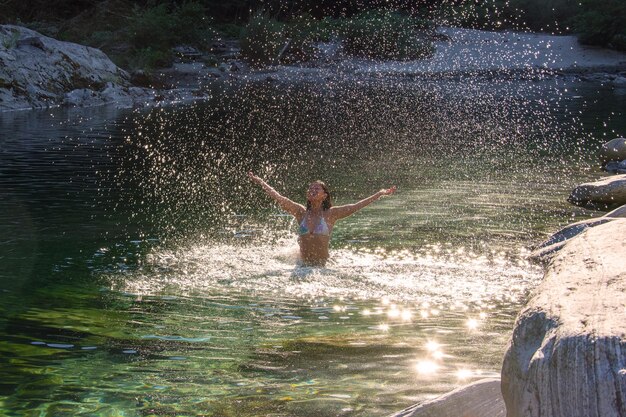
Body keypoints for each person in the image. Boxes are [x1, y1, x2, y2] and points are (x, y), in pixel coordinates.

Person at [248, 171, 397, 266]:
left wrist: (379, 193)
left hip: (322, 266)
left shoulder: (331, 214)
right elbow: (278, 197)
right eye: (310, 188)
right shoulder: (301, 212)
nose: (312, 190)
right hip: (301, 266)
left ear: (324, 195)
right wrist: (260, 182)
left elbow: (356, 206)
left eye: (316, 189)